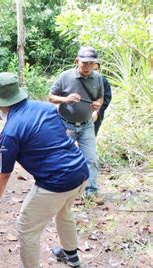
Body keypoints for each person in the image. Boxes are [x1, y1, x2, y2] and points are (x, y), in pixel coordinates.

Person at [0, 72, 89, 268]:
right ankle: (71, 255)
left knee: (25, 227)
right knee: (64, 212)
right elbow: (62, 134)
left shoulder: (10, 132)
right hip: (80, 170)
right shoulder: (46, 108)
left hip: (55, 182)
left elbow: (4, 175)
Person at [49, 46, 104, 197]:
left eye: (91, 63)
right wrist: (66, 99)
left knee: (91, 158)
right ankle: (60, 189)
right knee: (61, 157)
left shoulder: (98, 78)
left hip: (87, 125)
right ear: (77, 61)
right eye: (84, 63)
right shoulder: (65, 76)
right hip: (66, 124)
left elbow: (100, 97)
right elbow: (51, 97)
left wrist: (97, 106)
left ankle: (91, 191)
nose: (87, 67)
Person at [92, 61, 112, 136]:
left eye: (96, 69)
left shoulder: (103, 80)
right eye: (92, 69)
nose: (94, 71)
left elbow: (107, 98)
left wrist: (98, 111)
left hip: (96, 114)